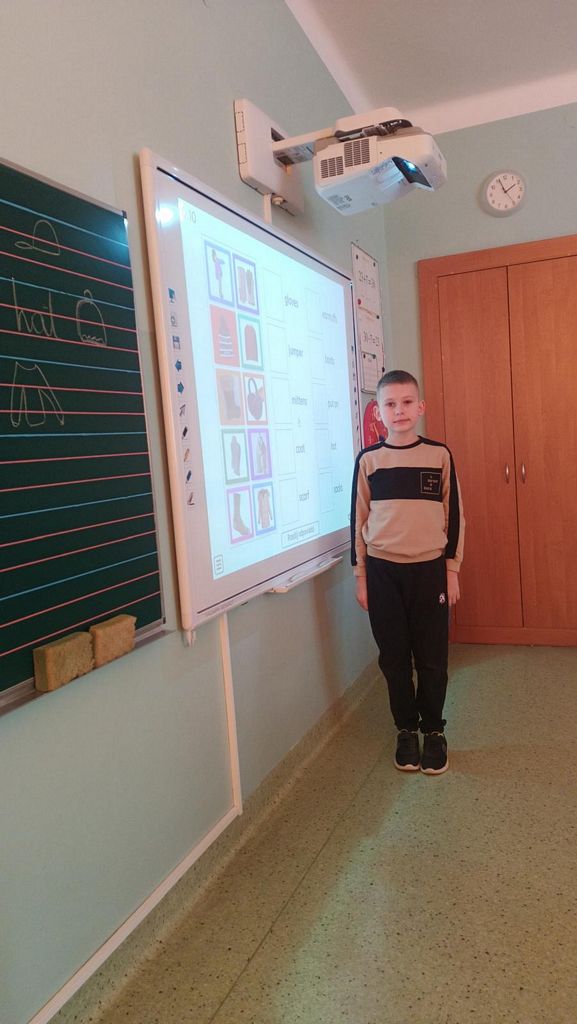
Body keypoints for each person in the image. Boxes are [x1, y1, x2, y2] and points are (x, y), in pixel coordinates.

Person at [350, 370, 464, 775]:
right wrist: (361, 577)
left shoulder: (439, 455)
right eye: (390, 404)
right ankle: (406, 730)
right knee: (394, 658)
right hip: (383, 573)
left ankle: (433, 730)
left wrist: (451, 570)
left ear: (420, 408)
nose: (399, 410)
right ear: (379, 413)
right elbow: (358, 522)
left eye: (406, 402)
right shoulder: (369, 461)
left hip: (429, 571)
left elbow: (454, 517)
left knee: (432, 658)